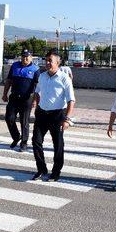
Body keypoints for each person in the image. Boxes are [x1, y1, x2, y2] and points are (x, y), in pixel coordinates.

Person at [31, 51, 76, 182]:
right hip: (42, 113)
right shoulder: (42, 76)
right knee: (36, 141)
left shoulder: (64, 78)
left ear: (58, 62)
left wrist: (67, 119)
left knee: (58, 144)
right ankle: (41, 169)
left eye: (50, 60)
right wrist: (35, 102)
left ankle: (56, 172)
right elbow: (37, 91)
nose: (48, 63)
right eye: (47, 60)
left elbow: (71, 100)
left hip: (57, 115)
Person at [2, 49, 40, 152]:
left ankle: (24, 143)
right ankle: (16, 137)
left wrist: (35, 100)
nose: (25, 58)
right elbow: (9, 80)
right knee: (9, 118)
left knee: (24, 121)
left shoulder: (35, 69)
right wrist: (5, 94)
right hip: (14, 97)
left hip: (27, 99)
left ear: (31, 57)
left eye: (27, 56)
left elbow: (38, 86)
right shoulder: (14, 66)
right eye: (23, 56)